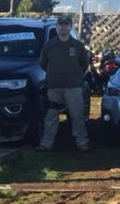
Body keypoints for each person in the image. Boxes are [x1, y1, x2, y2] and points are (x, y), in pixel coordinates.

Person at [36, 16, 90, 152]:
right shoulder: (50, 45)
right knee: (50, 117)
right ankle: (46, 144)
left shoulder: (77, 46)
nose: (63, 27)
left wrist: (76, 76)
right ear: (57, 26)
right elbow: (43, 63)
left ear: (71, 26)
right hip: (53, 87)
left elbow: (84, 64)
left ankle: (82, 143)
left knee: (77, 116)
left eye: (66, 24)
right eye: (61, 24)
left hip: (74, 88)